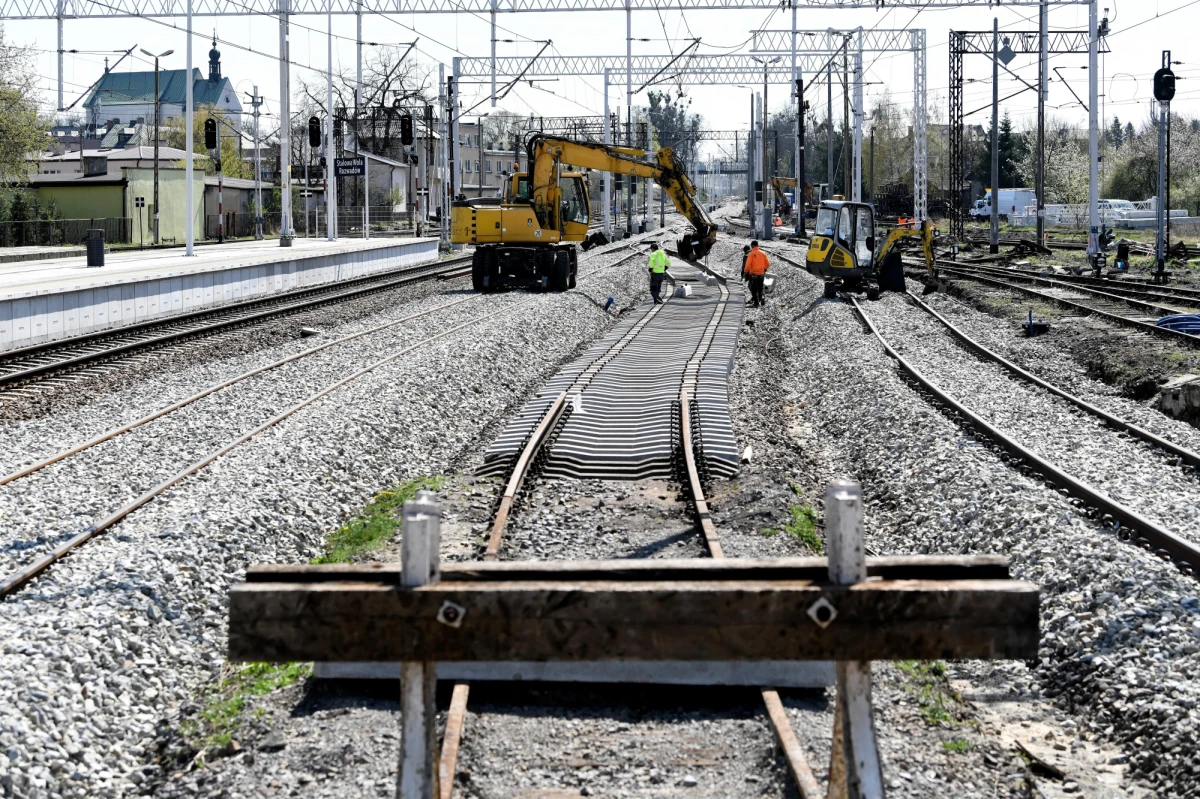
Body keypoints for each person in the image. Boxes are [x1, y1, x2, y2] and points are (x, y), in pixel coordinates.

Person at [744, 240, 769, 307]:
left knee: (753, 289)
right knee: (760, 288)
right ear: (758, 245)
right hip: (761, 274)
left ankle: (756, 303)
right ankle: (761, 299)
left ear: (752, 246)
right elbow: (767, 264)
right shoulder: (763, 253)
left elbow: (748, 264)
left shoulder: (751, 254)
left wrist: (746, 272)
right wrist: (764, 270)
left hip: (753, 274)